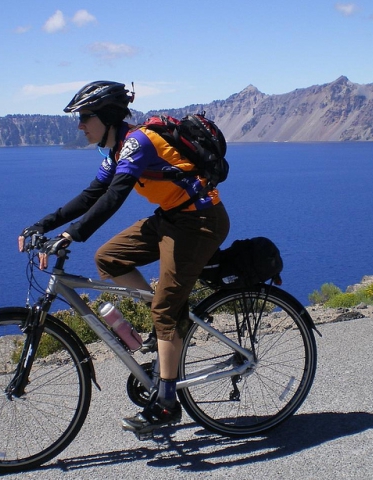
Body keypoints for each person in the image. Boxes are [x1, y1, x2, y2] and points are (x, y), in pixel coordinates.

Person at [18, 81, 230, 434]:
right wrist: (41, 225)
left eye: (85, 117)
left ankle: (166, 403)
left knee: (165, 310)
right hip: (172, 217)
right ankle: (165, 328)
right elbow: (92, 195)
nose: (80, 125)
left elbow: (116, 195)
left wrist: (72, 234)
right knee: (109, 259)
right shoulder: (115, 151)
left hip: (201, 221)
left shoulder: (137, 142)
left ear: (107, 117)